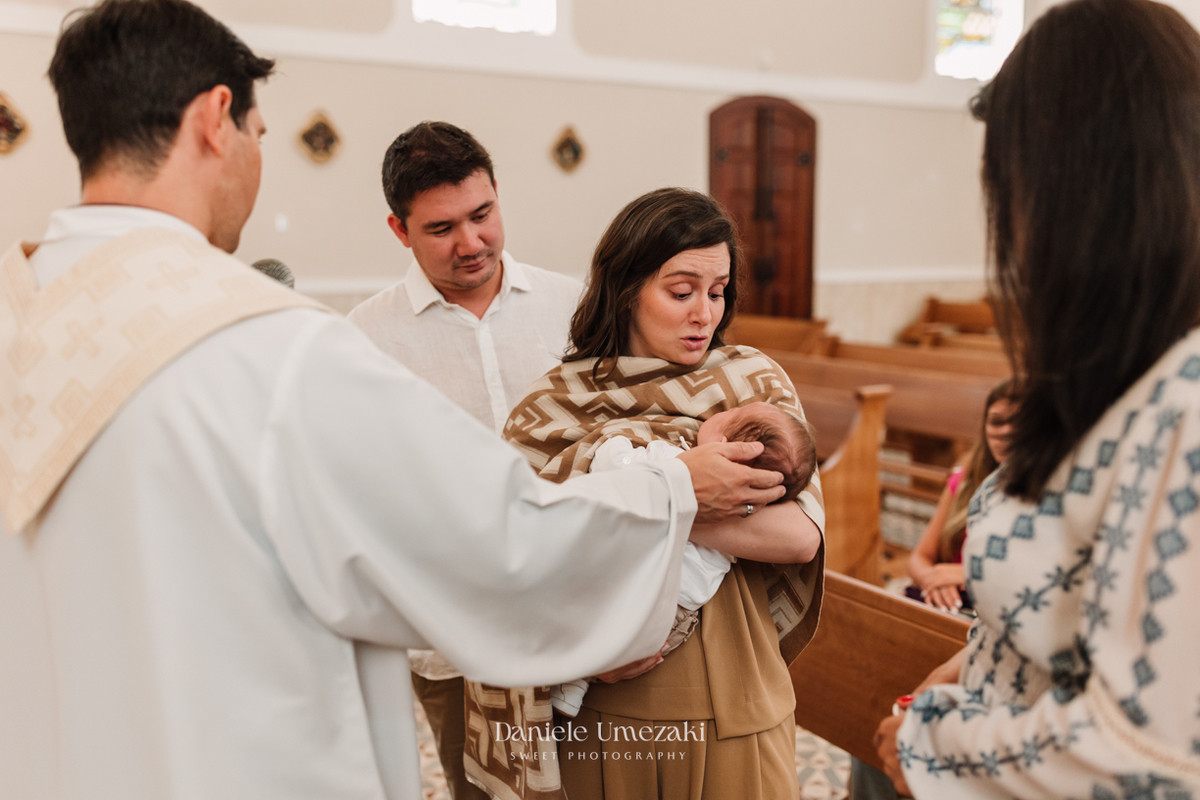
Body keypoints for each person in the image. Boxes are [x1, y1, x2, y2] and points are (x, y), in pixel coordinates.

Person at [0, 3, 794, 799]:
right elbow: (494, 542)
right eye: (260, 134)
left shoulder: (20, 318)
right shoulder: (275, 348)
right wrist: (672, 483)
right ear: (217, 120)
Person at [874, 1, 1200, 796]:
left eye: (1015, 186)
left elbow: (1151, 758)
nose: (1012, 226)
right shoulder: (1116, 373)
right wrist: (949, 687)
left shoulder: (1188, 404)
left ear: (1084, 189)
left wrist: (930, 747)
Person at [463, 188, 825, 800]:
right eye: (681, 292)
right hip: (608, 708)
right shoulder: (551, 408)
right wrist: (683, 490)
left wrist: (657, 498)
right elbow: (511, 555)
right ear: (626, 286)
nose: (703, 315)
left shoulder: (752, 382)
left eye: (718, 293)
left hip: (742, 697)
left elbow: (798, 538)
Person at [347, 121, 582, 800]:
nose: (471, 243)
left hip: (574, 609)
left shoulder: (570, 306)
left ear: (498, 196)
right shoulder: (365, 338)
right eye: (441, 228)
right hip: (453, 631)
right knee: (482, 789)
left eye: (482, 215)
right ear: (399, 230)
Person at [550, 401, 818, 717]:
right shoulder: (752, 510)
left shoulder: (678, 462)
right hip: (673, 620)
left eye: (727, 414)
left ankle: (571, 679)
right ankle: (578, 681)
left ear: (722, 447)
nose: (717, 409)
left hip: (633, 588)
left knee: (574, 601)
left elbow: (611, 464)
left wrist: (615, 441)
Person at [906, 379, 1017, 612]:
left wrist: (964, 574)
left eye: (1018, 422)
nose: (1006, 431)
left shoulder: (1048, 494)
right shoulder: (965, 480)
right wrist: (934, 581)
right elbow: (919, 558)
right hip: (952, 602)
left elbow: (1033, 573)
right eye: (996, 422)